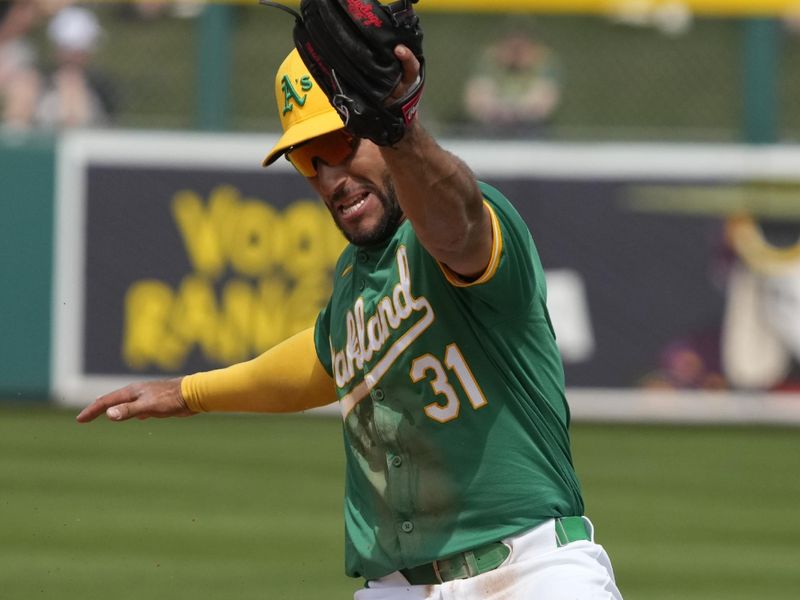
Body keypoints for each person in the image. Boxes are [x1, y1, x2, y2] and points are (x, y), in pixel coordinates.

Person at [77, 43, 623, 599]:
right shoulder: (354, 278)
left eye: (340, 142)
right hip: (394, 586)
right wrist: (188, 392)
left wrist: (402, 130)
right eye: (307, 159)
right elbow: (321, 360)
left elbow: (456, 225)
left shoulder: (462, 226)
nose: (328, 176)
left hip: (527, 572)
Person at [463, 30, 562, 138]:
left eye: (521, 48)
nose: (516, 53)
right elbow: (476, 100)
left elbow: (542, 104)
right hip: (492, 124)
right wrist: (499, 112)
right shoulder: (489, 63)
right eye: (511, 48)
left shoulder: (543, 64)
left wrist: (517, 113)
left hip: (528, 126)